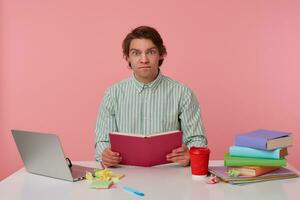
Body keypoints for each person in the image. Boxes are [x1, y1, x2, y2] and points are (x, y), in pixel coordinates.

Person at [95, 26, 207, 167]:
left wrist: (190, 154)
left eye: (151, 52)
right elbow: (102, 141)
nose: (144, 59)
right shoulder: (112, 94)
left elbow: (197, 139)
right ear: (128, 58)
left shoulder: (183, 93)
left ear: (161, 54)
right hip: (125, 173)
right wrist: (105, 154)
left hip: (170, 174)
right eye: (136, 53)